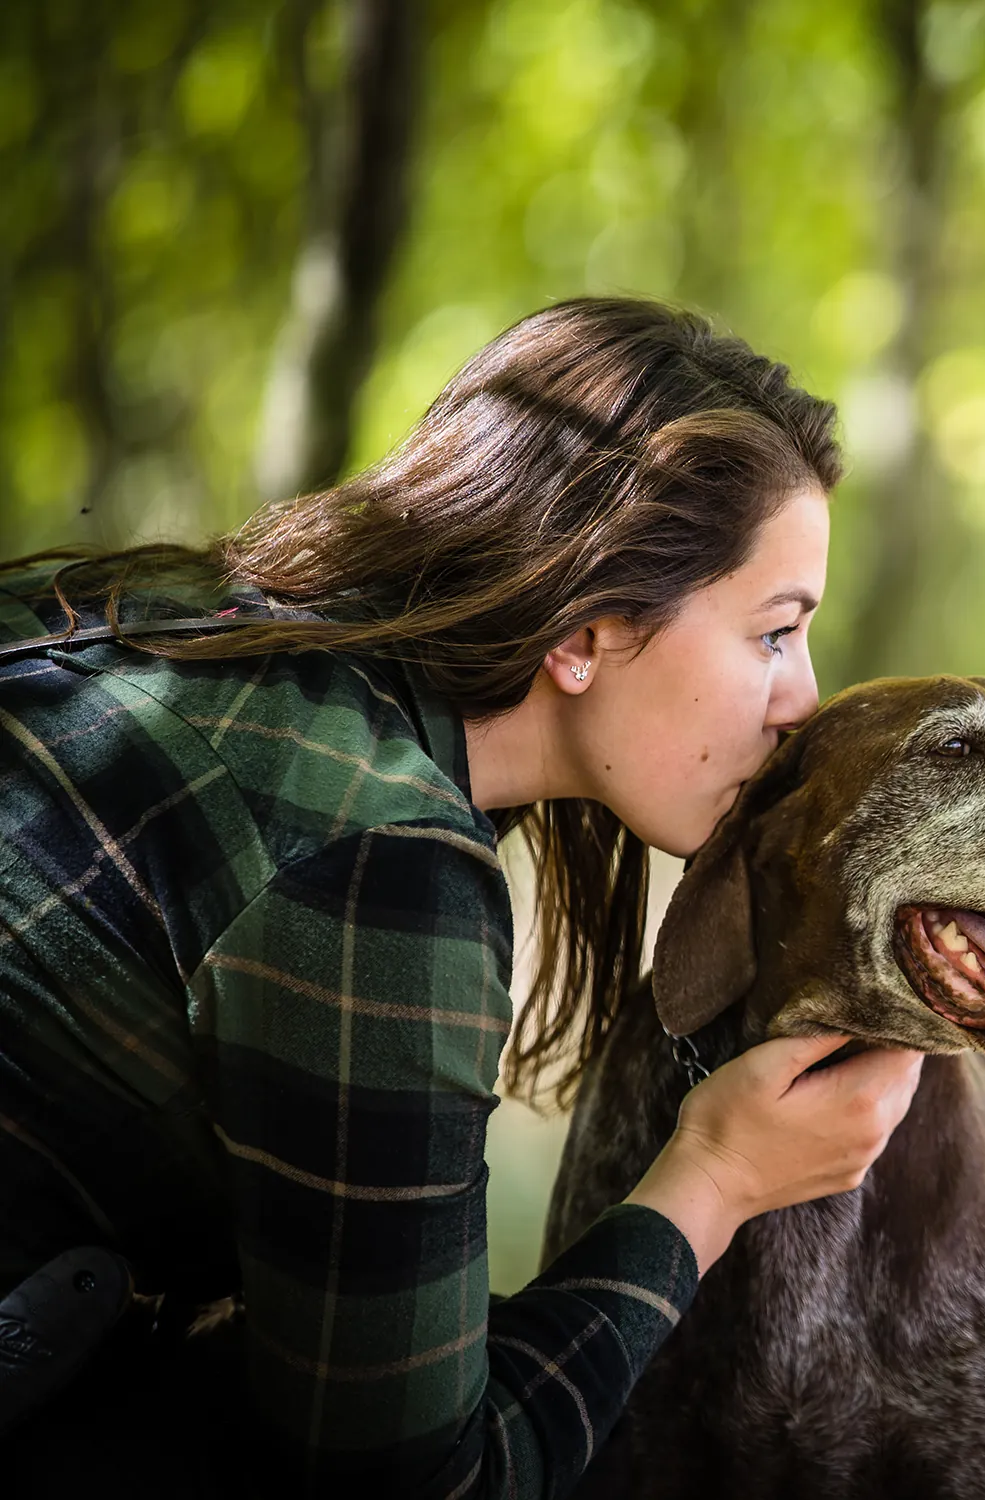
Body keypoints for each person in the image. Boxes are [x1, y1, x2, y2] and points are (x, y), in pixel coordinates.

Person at [0, 296, 927, 1497]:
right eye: (774, 632)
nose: (803, 696)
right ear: (587, 628)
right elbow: (427, 1479)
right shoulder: (379, 861)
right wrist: (714, 1178)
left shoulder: (184, 625)